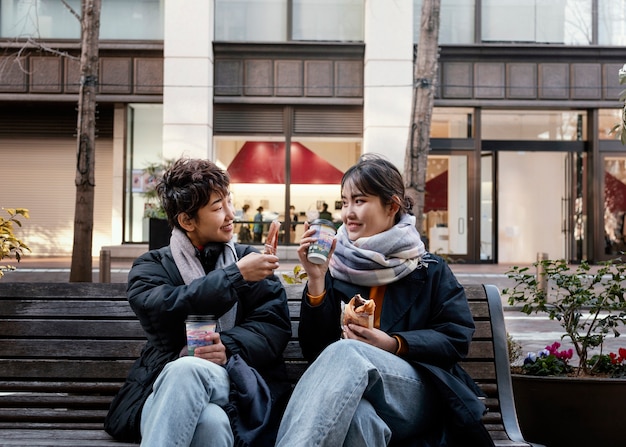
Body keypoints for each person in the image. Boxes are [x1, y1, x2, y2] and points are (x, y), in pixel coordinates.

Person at [275, 154, 494, 447]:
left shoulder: (428, 268)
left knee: (347, 352)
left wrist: (393, 343)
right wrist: (316, 279)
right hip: (352, 395)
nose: (348, 212)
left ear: (391, 206)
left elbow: (455, 338)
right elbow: (314, 350)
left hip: (418, 395)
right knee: (360, 418)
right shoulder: (334, 265)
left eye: (360, 201)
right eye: (344, 202)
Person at [104, 158, 291, 447]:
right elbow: (163, 311)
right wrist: (234, 277)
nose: (231, 215)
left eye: (229, 202)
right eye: (218, 208)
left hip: (234, 385)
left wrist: (226, 347)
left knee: (187, 370)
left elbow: (272, 328)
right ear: (187, 220)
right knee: (210, 422)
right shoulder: (151, 266)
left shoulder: (248, 260)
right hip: (163, 390)